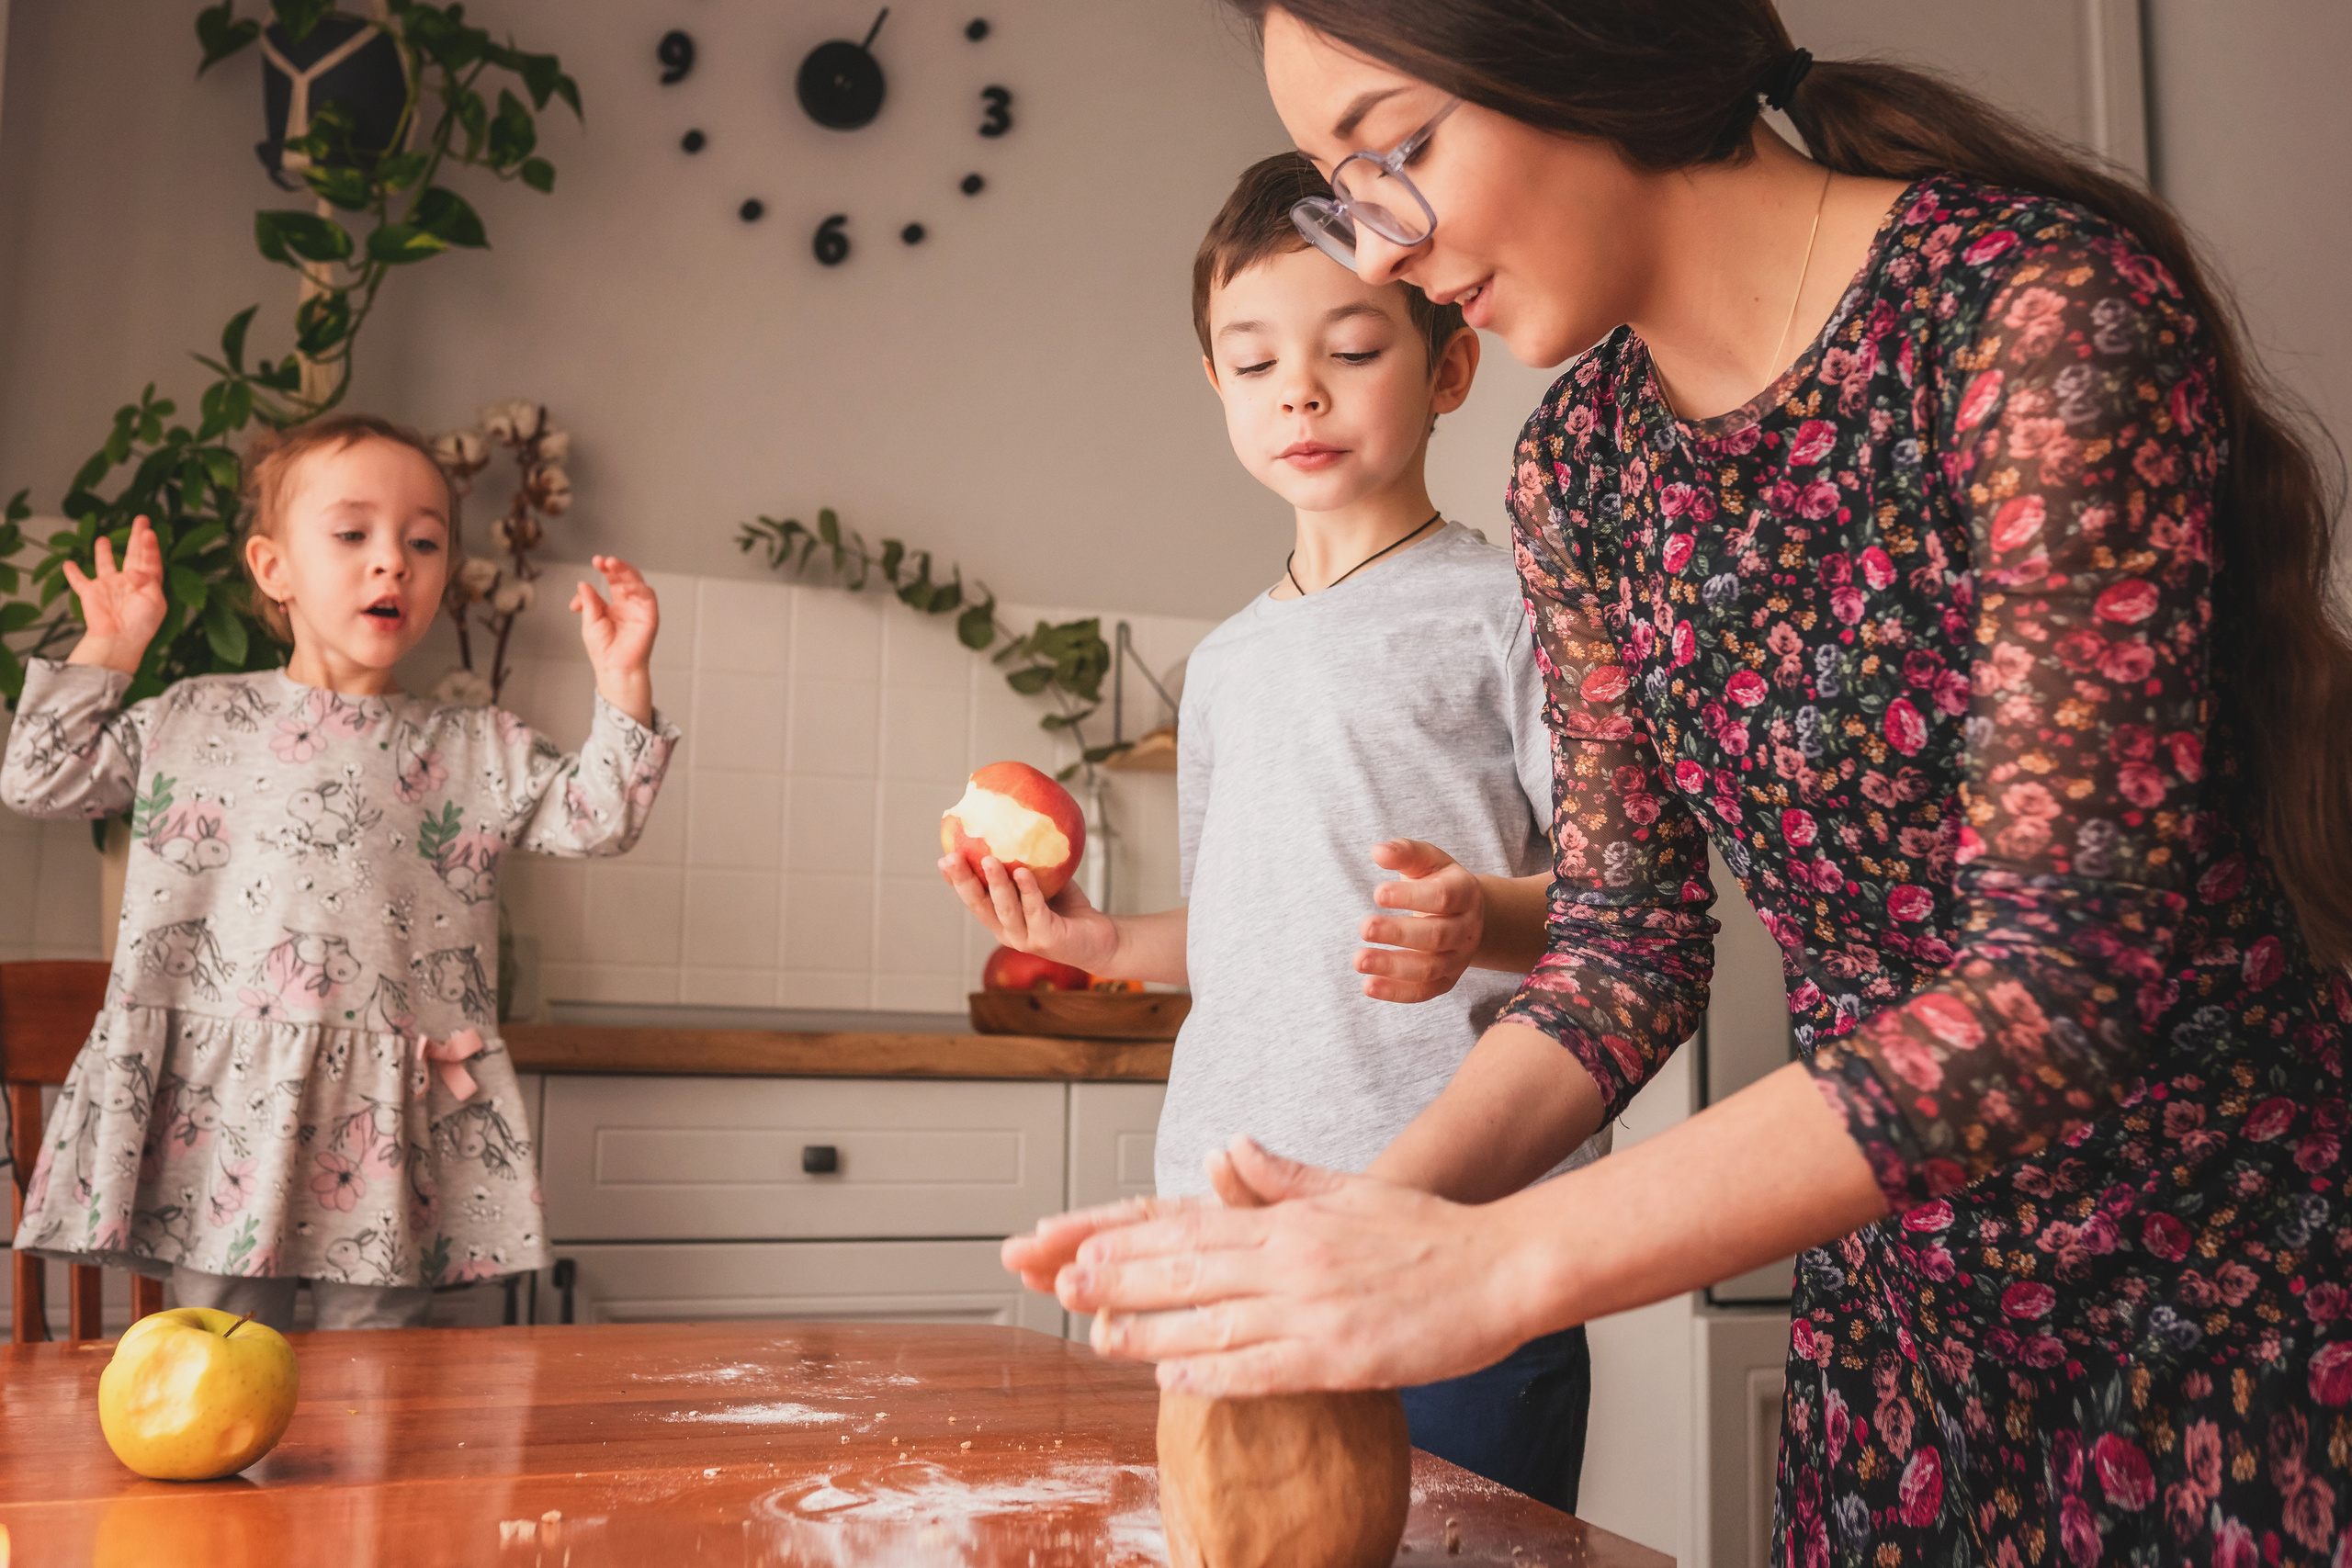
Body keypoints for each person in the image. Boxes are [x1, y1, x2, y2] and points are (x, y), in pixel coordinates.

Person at [1004, 2, 2352, 1561]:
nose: (1375, 249)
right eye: (1342, 184)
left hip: (2225, 1307)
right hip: (1900, 1341)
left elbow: (2058, 983)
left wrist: (1497, 1265)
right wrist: (1357, 1220)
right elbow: (1620, 958)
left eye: (1397, 151)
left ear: (1576, 43)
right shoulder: (1581, 468)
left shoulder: (2036, 313)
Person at [944, 152, 1604, 1511]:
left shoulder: (1506, 609)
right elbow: (1254, 920)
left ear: (1449, 365)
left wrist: (1487, 912)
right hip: (1230, 1230)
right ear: (1216, 388)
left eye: (1351, 347)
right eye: (1251, 362)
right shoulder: (1229, 662)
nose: (1297, 390)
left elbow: (1624, 911)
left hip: (1446, 1229)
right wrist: (1107, 939)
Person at [3, 412, 677, 1331]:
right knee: (218, 1359)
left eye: (424, 540)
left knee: (376, 1392)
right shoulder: (194, 717)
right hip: (229, 1111)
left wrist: (624, 680)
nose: (393, 561)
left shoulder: (478, 743)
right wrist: (112, 650)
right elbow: (39, 777)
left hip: (392, 1114)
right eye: (353, 533)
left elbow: (599, 822)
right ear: (273, 567)